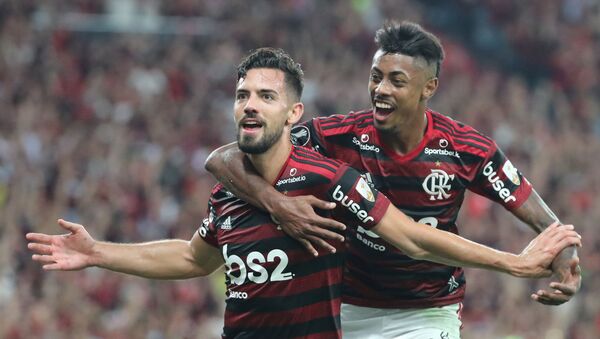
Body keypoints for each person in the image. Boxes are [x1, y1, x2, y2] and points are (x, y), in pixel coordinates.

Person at [26, 48, 581, 339]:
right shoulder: (230, 190)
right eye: (243, 94)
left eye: (266, 96)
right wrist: (99, 254)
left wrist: (513, 263)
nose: (250, 104)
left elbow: (412, 237)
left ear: (294, 114)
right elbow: (193, 256)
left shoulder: (330, 178)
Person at [204, 23, 582, 338]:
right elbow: (224, 158)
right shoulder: (338, 135)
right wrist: (279, 205)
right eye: (376, 77)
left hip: (427, 312)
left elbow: (533, 207)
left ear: (428, 88)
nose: (381, 90)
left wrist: (564, 254)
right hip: (348, 309)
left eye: (396, 81)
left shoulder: (466, 149)